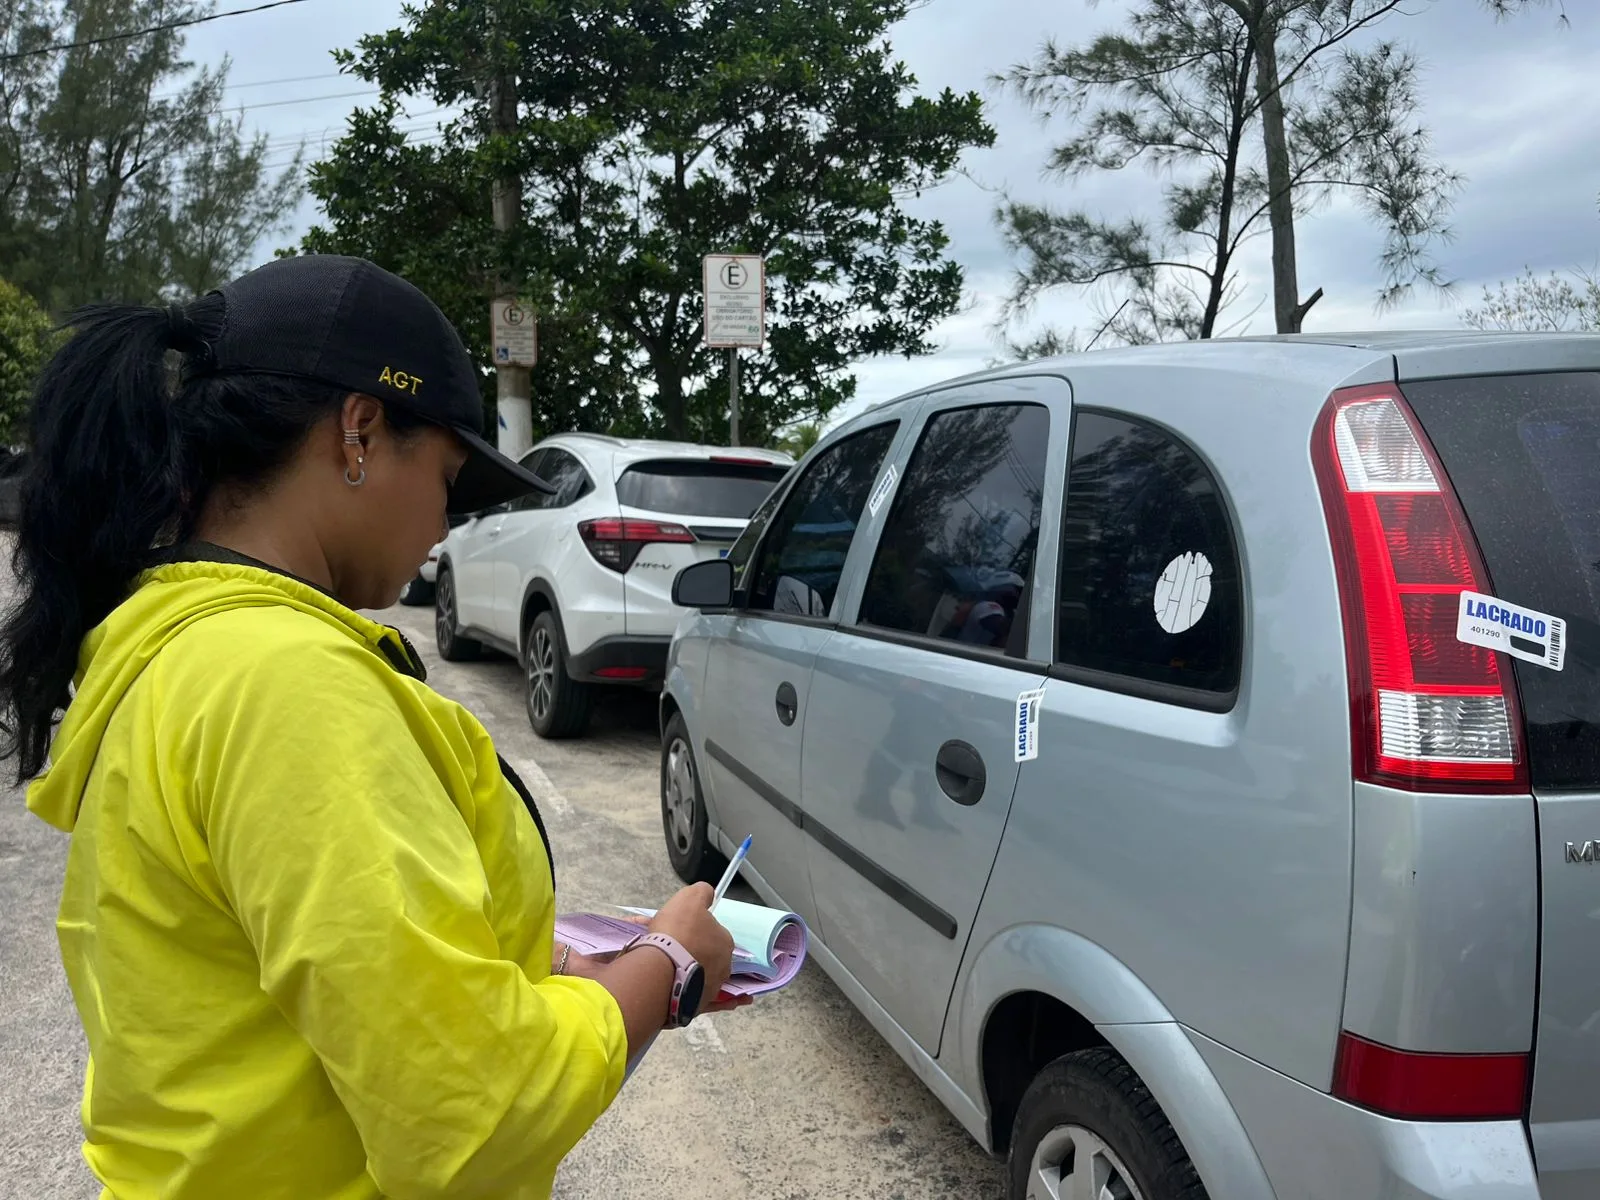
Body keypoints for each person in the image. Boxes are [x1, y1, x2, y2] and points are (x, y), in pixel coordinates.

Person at [0, 254, 739, 1199]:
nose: (442, 523)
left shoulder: (177, 649)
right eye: (445, 476)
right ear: (359, 432)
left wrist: (536, 955)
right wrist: (670, 963)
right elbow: (473, 1115)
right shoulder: (287, 686)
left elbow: (297, 956)